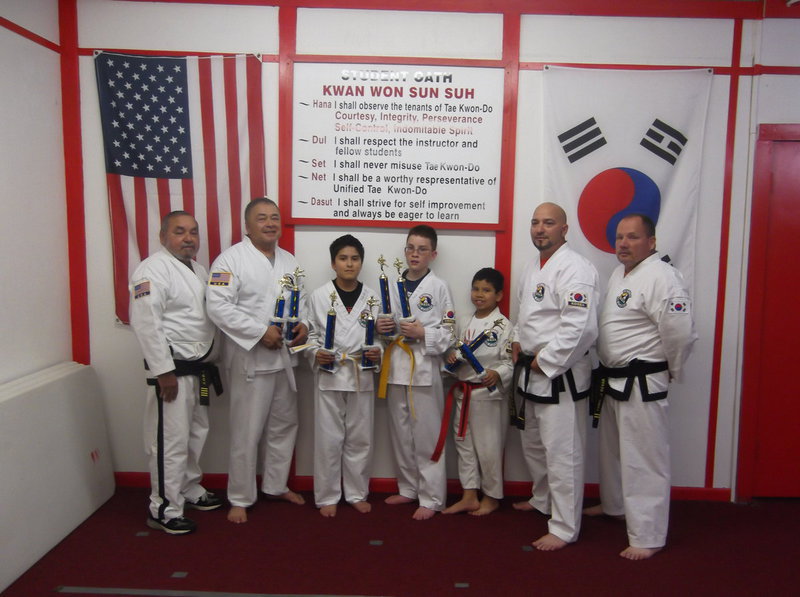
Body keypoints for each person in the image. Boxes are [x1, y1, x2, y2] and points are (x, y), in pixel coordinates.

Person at [585, 214, 696, 560]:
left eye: (632, 237)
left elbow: (680, 332)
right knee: (612, 452)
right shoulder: (620, 274)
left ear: (651, 242)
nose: (623, 243)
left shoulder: (663, 276)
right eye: (620, 237)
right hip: (612, 377)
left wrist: (671, 369)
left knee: (644, 458)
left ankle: (648, 534)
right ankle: (615, 505)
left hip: (643, 380)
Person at [206, 197, 308, 524]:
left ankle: (276, 485)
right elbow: (218, 306)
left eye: (274, 217)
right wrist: (259, 332)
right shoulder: (230, 260)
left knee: (284, 425)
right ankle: (240, 496)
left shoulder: (290, 261)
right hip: (249, 358)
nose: (270, 223)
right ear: (247, 226)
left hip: (284, 358)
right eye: (262, 218)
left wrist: (305, 326)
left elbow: (302, 303)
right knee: (246, 431)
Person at [511, 202, 599, 551]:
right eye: (535, 222)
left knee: (563, 452)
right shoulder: (532, 266)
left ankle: (564, 527)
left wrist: (545, 360)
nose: (539, 228)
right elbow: (525, 312)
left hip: (559, 374)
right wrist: (517, 340)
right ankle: (542, 498)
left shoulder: (575, 268)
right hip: (531, 370)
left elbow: (582, 328)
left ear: (564, 229)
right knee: (534, 444)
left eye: (548, 223)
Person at [130, 210, 223, 535]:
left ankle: (188, 487)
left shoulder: (199, 269)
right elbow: (146, 322)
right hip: (172, 372)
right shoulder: (151, 270)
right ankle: (164, 508)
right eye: (179, 231)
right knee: (169, 440)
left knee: (195, 433)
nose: (188, 238)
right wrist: (163, 371)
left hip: (198, 369)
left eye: (193, 232)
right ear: (162, 236)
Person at [375, 224, 455, 520]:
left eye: (422, 249)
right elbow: (384, 325)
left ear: (433, 254)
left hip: (423, 368)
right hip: (396, 365)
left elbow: (450, 332)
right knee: (401, 433)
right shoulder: (391, 284)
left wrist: (424, 333)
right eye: (411, 248)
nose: (415, 254)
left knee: (427, 436)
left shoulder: (439, 287)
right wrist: (381, 327)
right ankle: (408, 487)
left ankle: (432, 497)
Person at [306, 235, 382, 517]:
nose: (349, 264)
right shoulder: (319, 296)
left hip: (361, 373)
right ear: (333, 263)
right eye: (343, 258)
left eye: (354, 258)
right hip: (330, 373)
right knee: (328, 438)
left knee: (360, 439)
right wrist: (315, 353)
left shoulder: (373, 297)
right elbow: (310, 335)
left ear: (361, 263)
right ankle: (327, 495)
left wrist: (378, 351)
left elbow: (382, 337)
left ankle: (356, 493)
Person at [441, 267, 513, 516]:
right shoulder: (464, 321)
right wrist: (451, 358)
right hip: (463, 392)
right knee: (464, 446)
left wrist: (498, 373)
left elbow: (509, 362)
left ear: (499, 295)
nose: (479, 294)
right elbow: (454, 350)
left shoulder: (503, 325)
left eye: (486, 290)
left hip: (487, 395)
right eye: (476, 289)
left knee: (489, 448)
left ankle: (491, 497)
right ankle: (469, 495)